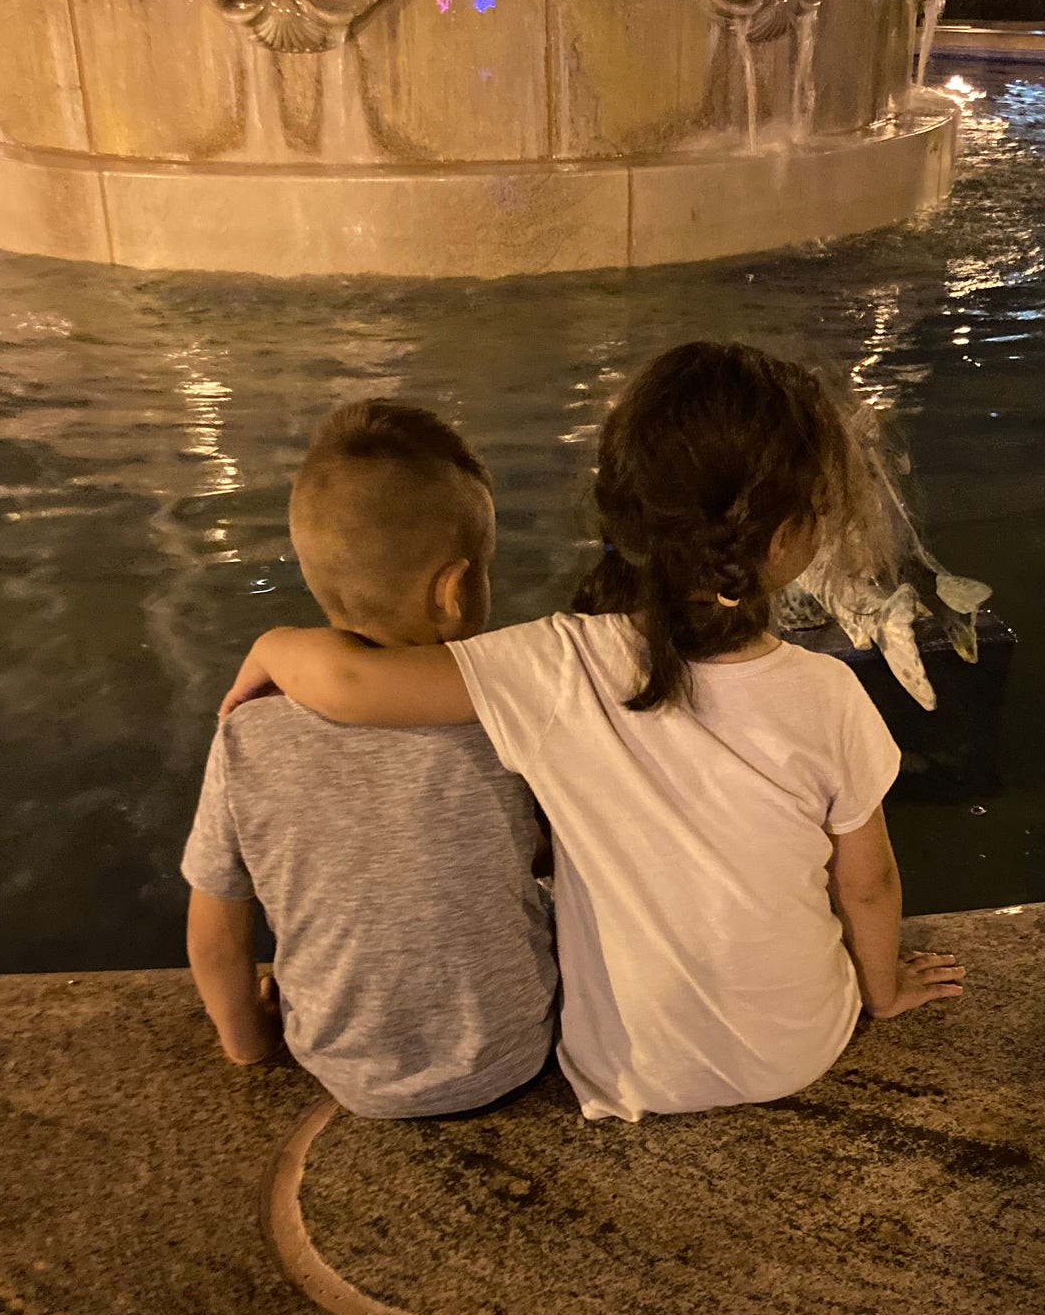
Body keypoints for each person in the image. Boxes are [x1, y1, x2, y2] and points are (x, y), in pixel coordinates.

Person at [219, 343, 966, 1126]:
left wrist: (272, 644)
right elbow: (869, 885)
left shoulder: (554, 665)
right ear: (786, 539)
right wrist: (882, 995)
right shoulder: (829, 694)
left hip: (626, 1072)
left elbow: (348, 685)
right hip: (799, 1049)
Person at [182, 401, 558, 1117]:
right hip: (515, 1051)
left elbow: (215, 939)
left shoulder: (247, 734)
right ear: (455, 591)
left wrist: (248, 1044)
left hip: (340, 1065)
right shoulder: (505, 709)